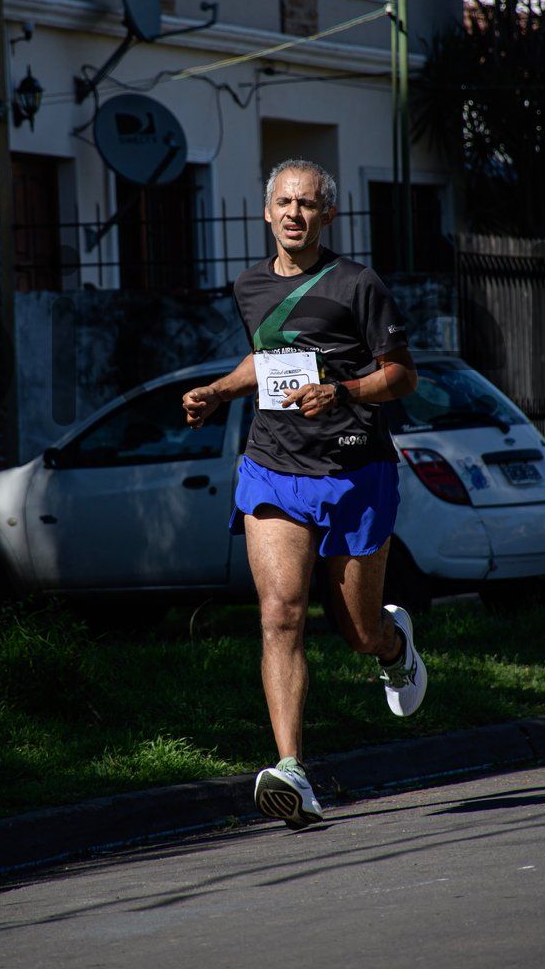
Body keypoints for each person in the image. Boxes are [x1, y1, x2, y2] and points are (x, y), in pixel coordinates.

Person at [182, 160, 426, 830]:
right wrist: (218, 392)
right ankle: (292, 769)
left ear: (328, 215)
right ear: (267, 212)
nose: (294, 213)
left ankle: (393, 646)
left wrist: (341, 391)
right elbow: (267, 358)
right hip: (273, 465)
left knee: (357, 630)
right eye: (284, 202)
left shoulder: (358, 284)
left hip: (354, 470)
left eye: (308, 204)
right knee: (281, 614)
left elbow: (402, 376)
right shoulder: (250, 285)